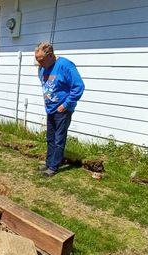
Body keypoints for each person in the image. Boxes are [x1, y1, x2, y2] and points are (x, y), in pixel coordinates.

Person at [35, 42, 85, 177]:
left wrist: (65, 105)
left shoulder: (65, 65)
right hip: (50, 109)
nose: (39, 63)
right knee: (50, 138)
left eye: (41, 60)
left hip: (62, 110)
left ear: (50, 55)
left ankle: (54, 167)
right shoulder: (42, 67)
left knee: (59, 139)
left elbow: (78, 86)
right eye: (37, 60)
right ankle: (49, 162)